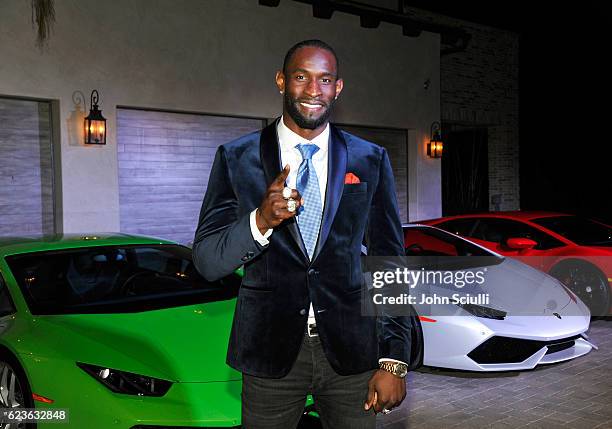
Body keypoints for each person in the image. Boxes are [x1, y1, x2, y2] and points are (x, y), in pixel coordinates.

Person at [193, 39, 411, 429]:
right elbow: (208, 262)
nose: (313, 90)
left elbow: (389, 260)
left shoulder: (369, 158)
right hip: (269, 353)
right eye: (300, 77)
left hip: (352, 353)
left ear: (337, 88)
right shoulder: (236, 157)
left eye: (324, 80)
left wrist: (394, 359)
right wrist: (259, 220)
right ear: (281, 81)